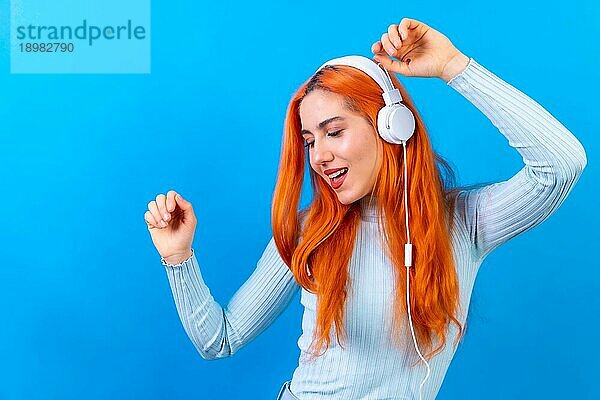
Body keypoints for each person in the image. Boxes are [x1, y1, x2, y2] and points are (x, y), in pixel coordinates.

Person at [143, 17, 587, 400]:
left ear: (391, 126)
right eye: (310, 141)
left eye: (334, 132)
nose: (318, 156)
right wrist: (178, 258)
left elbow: (561, 165)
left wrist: (455, 68)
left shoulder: (465, 222)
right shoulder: (308, 233)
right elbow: (219, 339)